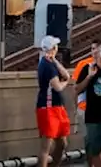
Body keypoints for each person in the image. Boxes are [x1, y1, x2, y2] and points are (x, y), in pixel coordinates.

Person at [36, 36, 72, 167]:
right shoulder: (46, 65)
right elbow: (57, 86)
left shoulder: (50, 62)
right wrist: (65, 83)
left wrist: (55, 61)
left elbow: (67, 75)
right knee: (47, 144)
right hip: (48, 107)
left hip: (57, 107)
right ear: (52, 48)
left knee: (62, 143)